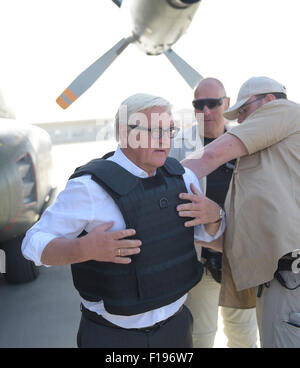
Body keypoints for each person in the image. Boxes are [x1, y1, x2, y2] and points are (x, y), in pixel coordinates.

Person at [22, 93, 225, 349]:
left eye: (170, 130)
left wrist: (215, 215)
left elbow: (205, 236)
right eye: (155, 130)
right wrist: (83, 249)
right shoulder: (89, 188)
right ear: (124, 132)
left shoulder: (183, 177)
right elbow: (32, 244)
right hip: (113, 337)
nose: (166, 139)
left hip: (177, 328)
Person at [181, 76, 300, 348]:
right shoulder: (273, 150)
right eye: (199, 105)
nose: (243, 121)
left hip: (285, 275)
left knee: (248, 337)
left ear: (269, 102)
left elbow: (208, 158)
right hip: (248, 266)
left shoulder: (282, 112)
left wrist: (145, 188)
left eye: (244, 112)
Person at [170, 78, 258, 348]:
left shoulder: (249, 144)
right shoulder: (176, 147)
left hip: (240, 261)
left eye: (213, 103)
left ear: (227, 104)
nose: (206, 111)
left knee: (243, 335)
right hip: (199, 262)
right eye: (199, 105)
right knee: (200, 337)